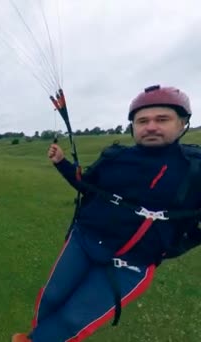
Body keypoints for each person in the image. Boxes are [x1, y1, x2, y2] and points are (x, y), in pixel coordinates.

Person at [12, 85, 201, 342]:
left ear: (182, 124)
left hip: (131, 264)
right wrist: (62, 163)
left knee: (73, 319)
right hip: (84, 241)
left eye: (162, 119)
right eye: (142, 121)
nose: (151, 126)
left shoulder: (195, 170)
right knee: (52, 297)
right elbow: (85, 184)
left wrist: (173, 246)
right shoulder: (115, 157)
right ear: (133, 126)